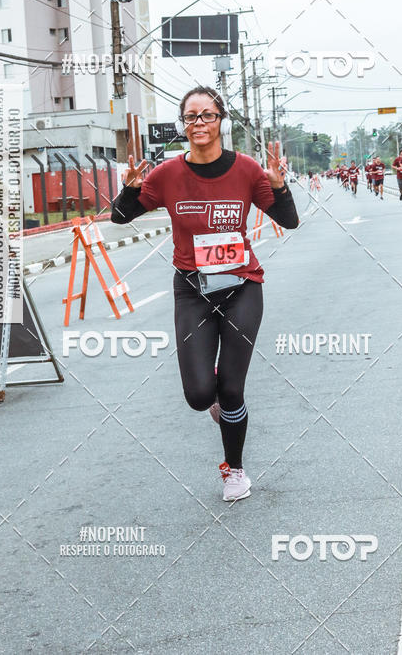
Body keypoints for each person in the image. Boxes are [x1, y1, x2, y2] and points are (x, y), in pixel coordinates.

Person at [111, 86, 299, 502]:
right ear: (184, 125)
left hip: (242, 287)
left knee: (232, 388)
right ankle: (219, 408)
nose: (199, 123)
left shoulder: (247, 170)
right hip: (193, 291)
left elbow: (290, 220)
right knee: (199, 396)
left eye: (207, 115)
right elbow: (120, 217)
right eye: (191, 117)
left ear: (220, 120)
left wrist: (280, 187)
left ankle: (235, 470)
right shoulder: (166, 174)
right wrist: (129, 187)